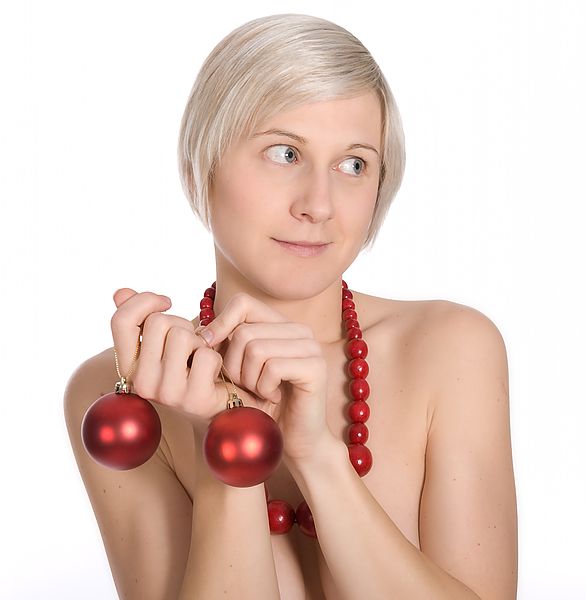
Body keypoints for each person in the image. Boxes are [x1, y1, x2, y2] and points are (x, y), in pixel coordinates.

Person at [64, 13, 517, 600]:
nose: (319, 204)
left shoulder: (452, 349)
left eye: (354, 164)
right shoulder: (122, 392)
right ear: (204, 164)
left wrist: (316, 455)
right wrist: (224, 445)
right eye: (284, 153)